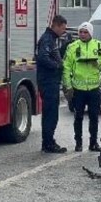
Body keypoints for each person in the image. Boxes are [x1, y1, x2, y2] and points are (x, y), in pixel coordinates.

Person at [62, 22, 101, 152]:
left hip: (94, 88)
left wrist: (98, 63)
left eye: (85, 32)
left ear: (91, 33)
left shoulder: (99, 45)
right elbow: (66, 67)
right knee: (78, 117)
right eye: (81, 32)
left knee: (94, 117)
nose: (82, 34)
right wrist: (68, 86)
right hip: (78, 89)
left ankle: (93, 143)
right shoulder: (72, 47)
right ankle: (78, 143)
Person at [36, 15, 68, 153]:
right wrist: (57, 66)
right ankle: (48, 143)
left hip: (51, 81)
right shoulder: (47, 39)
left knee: (51, 113)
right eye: (63, 28)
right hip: (48, 82)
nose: (64, 31)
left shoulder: (51, 39)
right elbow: (43, 58)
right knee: (51, 113)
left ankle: (48, 141)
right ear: (57, 25)